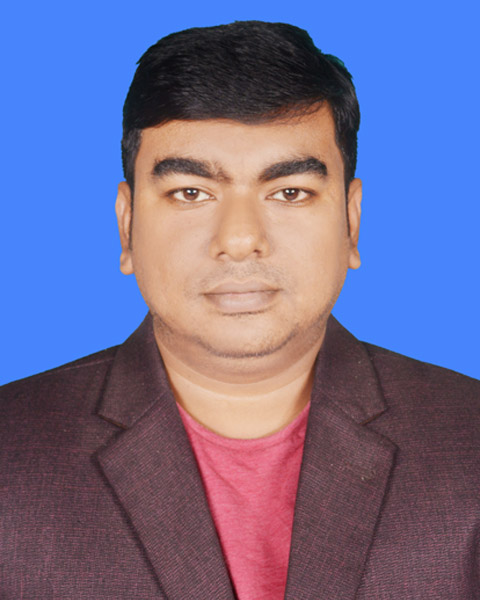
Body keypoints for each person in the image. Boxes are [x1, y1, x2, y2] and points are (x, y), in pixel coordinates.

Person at [1, 20, 479, 600]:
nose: (240, 239)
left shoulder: (469, 441)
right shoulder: (12, 450)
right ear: (126, 226)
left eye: (290, 192)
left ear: (351, 221)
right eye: (191, 193)